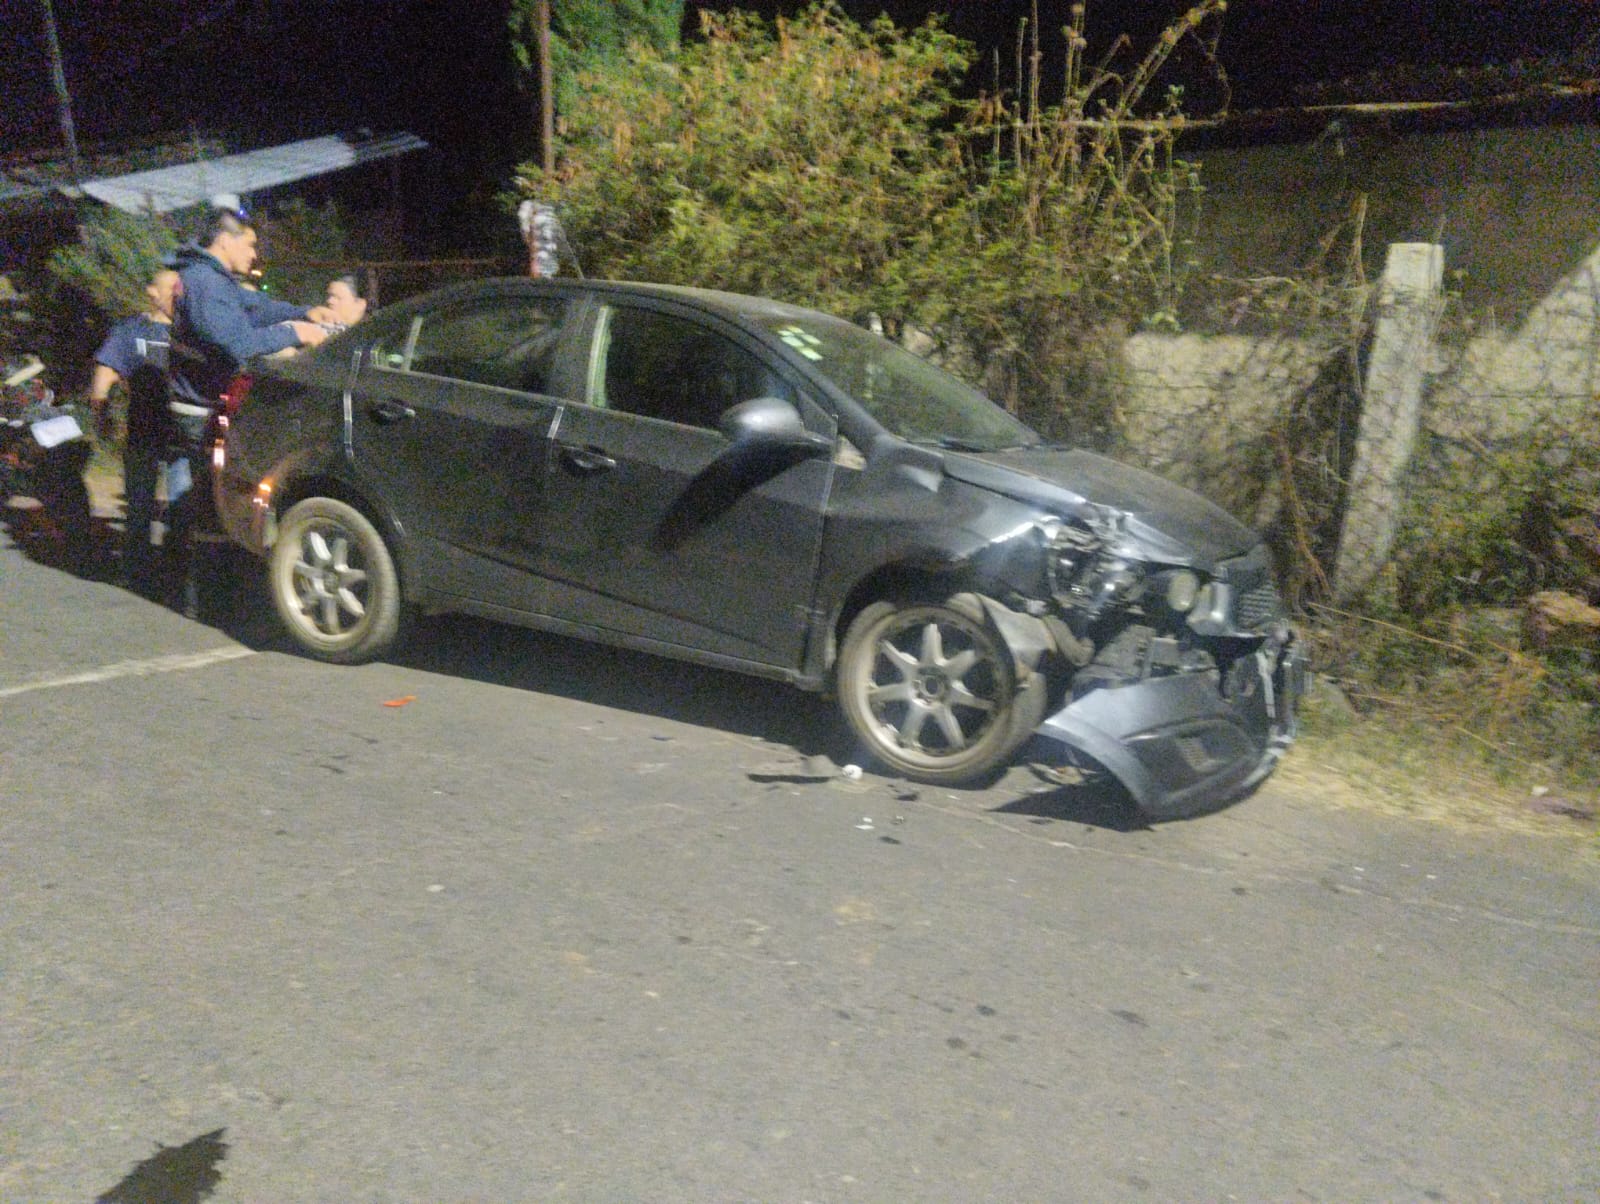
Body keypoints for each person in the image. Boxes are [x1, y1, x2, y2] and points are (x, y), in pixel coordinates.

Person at [165, 200, 329, 615]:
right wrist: (298, 331)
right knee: (211, 503)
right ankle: (207, 600)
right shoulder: (203, 283)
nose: (255, 255)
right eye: (250, 245)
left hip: (203, 405)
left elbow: (253, 307)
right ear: (226, 240)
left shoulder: (212, 279)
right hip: (200, 411)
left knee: (204, 497)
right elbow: (239, 344)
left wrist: (303, 312)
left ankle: (192, 585)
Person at [88, 267, 179, 591]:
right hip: (143, 432)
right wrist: (101, 418)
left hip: (183, 437)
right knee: (139, 506)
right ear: (152, 292)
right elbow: (105, 376)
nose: (178, 295)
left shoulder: (190, 333)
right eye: (171, 288)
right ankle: (138, 573)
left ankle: (174, 572)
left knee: (181, 507)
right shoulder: (131, 330)